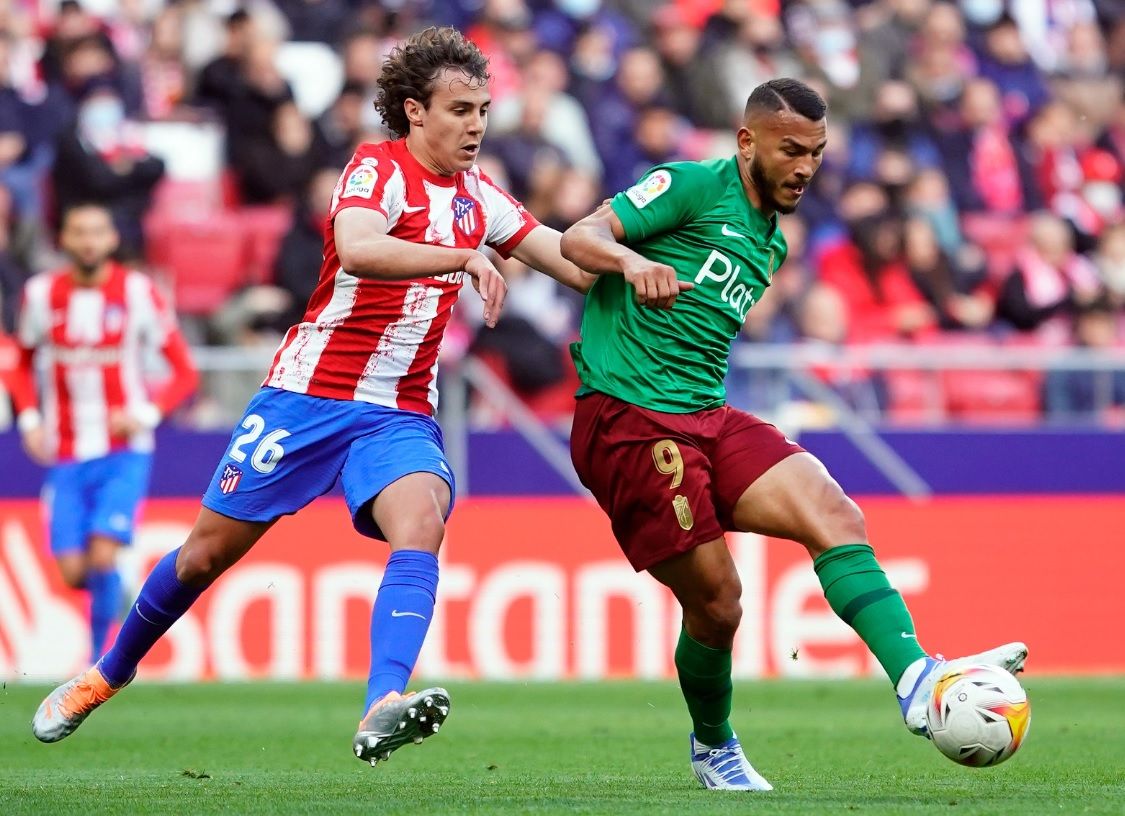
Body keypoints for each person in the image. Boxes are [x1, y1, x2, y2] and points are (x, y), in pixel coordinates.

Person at [32, 26, 594, 765]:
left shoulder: (480, 196)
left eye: (483, 108)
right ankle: (107, 673)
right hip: (307, 397)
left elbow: (570, 261)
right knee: (204, 556)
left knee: (421, 520)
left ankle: (380, 704)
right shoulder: (374, 170)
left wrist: (649, 262)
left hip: (396, 412)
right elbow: (361, 247)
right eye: (459, 109)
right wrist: (463, 257)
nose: (477, 124)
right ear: (413, 111)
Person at [560, 77, 1028, 792]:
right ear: (746, 141)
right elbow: (579, 237)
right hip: (626, 418)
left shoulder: (769, 243)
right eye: (789, 150)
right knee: (717, 603)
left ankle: (915, 682)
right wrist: (630, 262)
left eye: (815, 152)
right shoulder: (688, 186)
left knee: (834, 512)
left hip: (704, 415)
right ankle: (713, 746)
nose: (804, 167)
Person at [9, 201, 197, 663]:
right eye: (79, 232)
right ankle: (118, 590)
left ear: (112, 239)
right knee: (74, 572)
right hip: (67, 449)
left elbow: (184, 372)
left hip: (124, 449)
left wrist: (146, 415)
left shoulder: (138, 293)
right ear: (64, 240)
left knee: (100, 557)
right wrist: (30, 419)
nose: (89, 241)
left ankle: (101, 664)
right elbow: (19, 363)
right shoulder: (40, 295)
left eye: (97, 232)